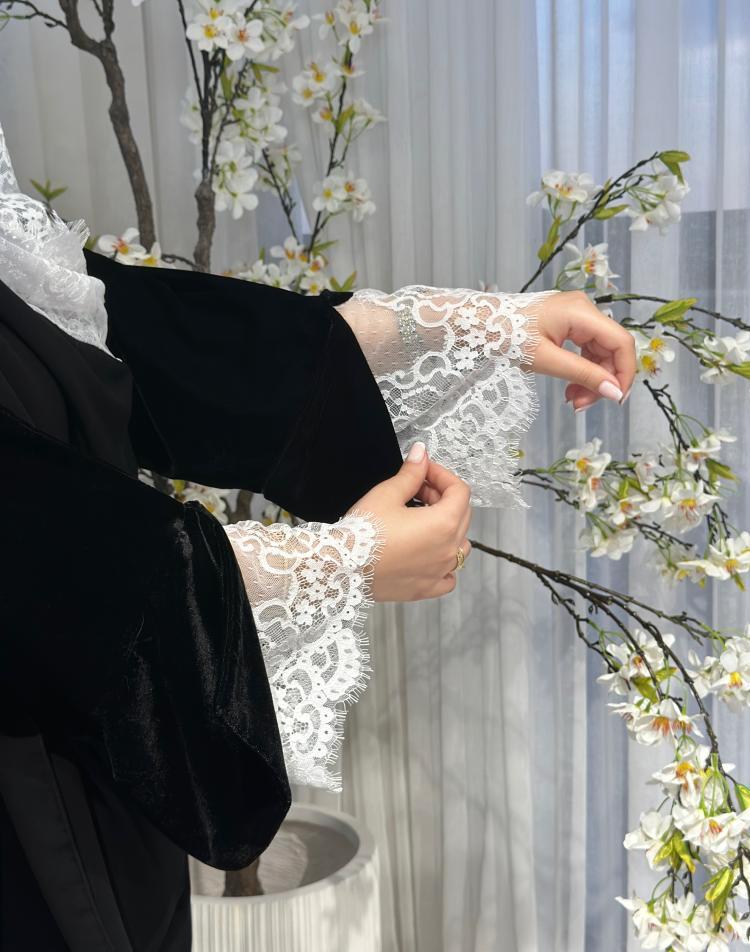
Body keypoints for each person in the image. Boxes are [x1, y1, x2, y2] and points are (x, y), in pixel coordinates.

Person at [0, 120, 635, 950]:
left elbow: (124, 331)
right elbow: (43, 552)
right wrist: (339, 562)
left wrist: (469, 326)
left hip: (94, 799)